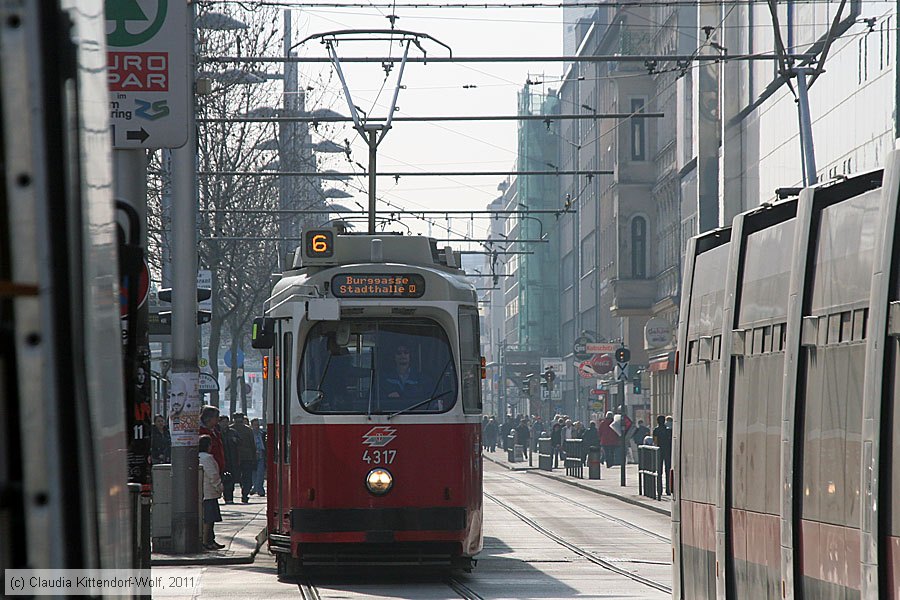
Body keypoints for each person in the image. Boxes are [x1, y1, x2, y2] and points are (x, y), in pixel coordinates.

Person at [380, 344, 429, 410]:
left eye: (406, 352)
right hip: (389, 416)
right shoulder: (383, 379)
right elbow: (373, 399)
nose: (402, 355)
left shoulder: (422, 379)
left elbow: (430, 400)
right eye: (399, 353)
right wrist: (386, 397)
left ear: (410, 356)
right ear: (394, 357)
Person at [199, 435, 225, 550]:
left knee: (210, 518)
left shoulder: (198, 457)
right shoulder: (207, 458)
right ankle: (206, 541)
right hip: (209, 492)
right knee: (209, 519)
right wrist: (219, 486)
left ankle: (210, 539)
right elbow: (213, 475)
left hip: (204, 492)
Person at [231, 412, 257, 504]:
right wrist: (254, 457)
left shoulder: (231, 429)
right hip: (247, 457)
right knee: (247, 477)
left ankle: (231, 495)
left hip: (234, 457)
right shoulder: (248, 430)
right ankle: (245, 494)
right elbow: (252, 445)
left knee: (236, 476)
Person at [198, 406, 224, 475]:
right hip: (208, 469)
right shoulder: (200, 432)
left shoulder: (216, 431)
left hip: (218, 468)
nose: (218, 419)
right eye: (216, 417)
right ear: (209, 418)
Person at [219, 415, 238, 504]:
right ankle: (224, 494)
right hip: (221, 459)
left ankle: (229, 497)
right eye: (223, 422)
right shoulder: (217, 432)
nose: (225, 424)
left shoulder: (232, 432)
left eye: (226, 422)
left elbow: (239, 442)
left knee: (230, 479)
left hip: (231, 459)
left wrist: (236, 440)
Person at [653, 415, 673, 495]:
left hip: (659, 451)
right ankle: (668, 489)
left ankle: (659, 490)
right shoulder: (668, 430)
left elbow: (655, 441)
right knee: (668, 471)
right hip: (667, 451)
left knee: (659, 471)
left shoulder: (656, 430)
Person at [250, 418, 266, 497]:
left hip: (261, 454)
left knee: (261, 472)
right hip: (253, 454)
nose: (257, 427)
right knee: (254, 472)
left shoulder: (262, 433)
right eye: (255, 425)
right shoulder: (250, 434)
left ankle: (259, 488)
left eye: (258, 425)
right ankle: (256, 487)